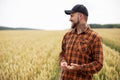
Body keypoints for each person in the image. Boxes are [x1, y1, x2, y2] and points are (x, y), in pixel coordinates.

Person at [59, 4, 103, 80]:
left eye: (72, 16)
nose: (70, 19)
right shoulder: (67, 35)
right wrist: (62, 61)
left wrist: (80, 68)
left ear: (80, 16)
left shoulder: (95, 37)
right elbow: (62, 53)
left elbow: (98, 64)